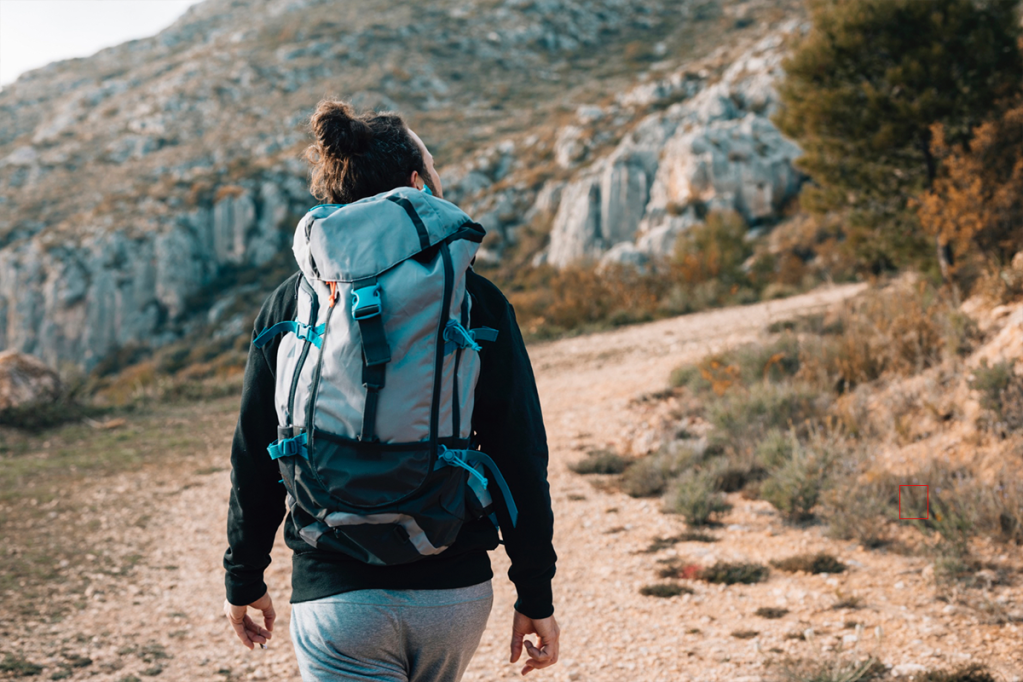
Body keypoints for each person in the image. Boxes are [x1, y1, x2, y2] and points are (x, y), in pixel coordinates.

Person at [222, 100, 559, 682]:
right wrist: (535, 593)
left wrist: (244, 578)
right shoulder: (474, 298)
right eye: (430, 169)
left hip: (335, 598)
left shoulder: (291, 302)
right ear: (412, 186)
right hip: (452, 591)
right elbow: (520, 452)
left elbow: (256, 453)